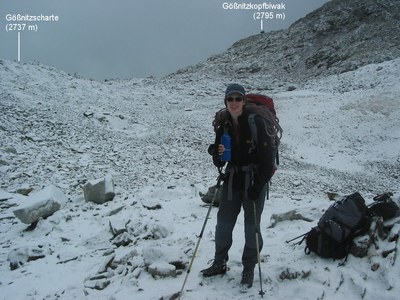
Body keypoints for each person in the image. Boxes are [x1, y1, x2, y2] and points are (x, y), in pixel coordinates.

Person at [202, 83, 275, 290]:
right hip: (232, 179)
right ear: (225, 101)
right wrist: (216, 153)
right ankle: (219, 262)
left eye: (238, 98)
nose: (234, 102)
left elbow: (268, 161)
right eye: (230, 99)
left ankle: (249, 267)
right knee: (223, 223)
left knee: (252, 227)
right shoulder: (223, 124)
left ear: (244, 101)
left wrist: (259, 184)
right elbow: (220, 161)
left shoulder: (256, 123)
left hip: (254, 181)